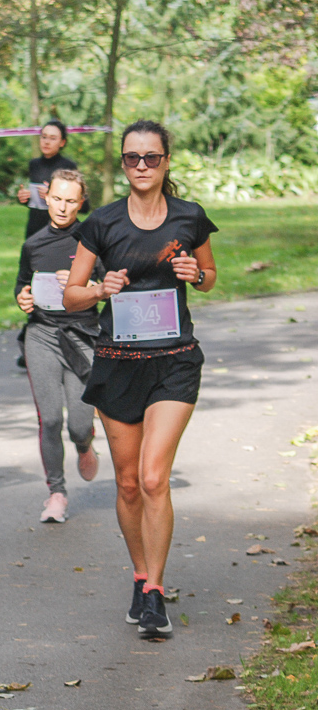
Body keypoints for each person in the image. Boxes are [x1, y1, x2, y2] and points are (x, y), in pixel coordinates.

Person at [63, 119, 217, 639]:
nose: (143, 166)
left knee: (153, 477)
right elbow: (71, 296)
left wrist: (198, 275)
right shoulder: (103, 223)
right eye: (134, 158)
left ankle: (156, 592)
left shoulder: (189, 217)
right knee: (127, 484)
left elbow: (211, 276)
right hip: (118, 362)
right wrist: (101, 289)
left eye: (153, 157)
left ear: (166, 161)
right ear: (123, 164)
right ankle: (140, 574)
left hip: (174, 361)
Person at [14, 169, 102, 524]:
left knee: (78, 425)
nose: (63, 207)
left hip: (82, 336)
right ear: (46, 197)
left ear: (81, 202)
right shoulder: (33, 244)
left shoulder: (93, 240)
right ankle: (56, 493)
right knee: (49, 418)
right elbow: (22, 285)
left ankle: (84, 442)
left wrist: (88, 283)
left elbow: (113, 287)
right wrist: (21, 297)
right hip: (43, 334)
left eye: (71, 201)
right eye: (57, 199)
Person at [16, 120, 84, 239]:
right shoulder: (34, 164)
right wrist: (24, 198)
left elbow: (84, 205)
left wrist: (54, 194)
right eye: (44, 137)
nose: (46, 142)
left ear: (62, 142)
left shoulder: (68, 166)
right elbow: (36, 202)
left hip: (59, 230)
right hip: (34, 228)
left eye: (53, 138)